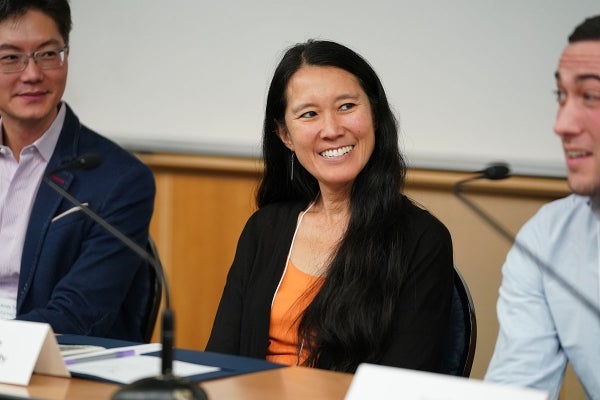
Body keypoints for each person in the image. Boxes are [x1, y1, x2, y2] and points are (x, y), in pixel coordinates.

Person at [206, 39, 454, 373]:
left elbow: (401, 385)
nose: (332, 129)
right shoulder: (264, 229)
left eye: (347, 106)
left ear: (375, 114)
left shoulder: (422, 240)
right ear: (285, 135)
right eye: (309, 114)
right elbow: (219, 362)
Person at [0, 0, 155, 342]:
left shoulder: (120, 179)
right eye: (11, 57)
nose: (32, 74)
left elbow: (79, 313)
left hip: (51, 366)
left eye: (48, 54)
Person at [485, 15, 600, 399]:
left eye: (591, 97)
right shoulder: (547, 237)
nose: (561, 124)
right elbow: (517, 390)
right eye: (561, 96)